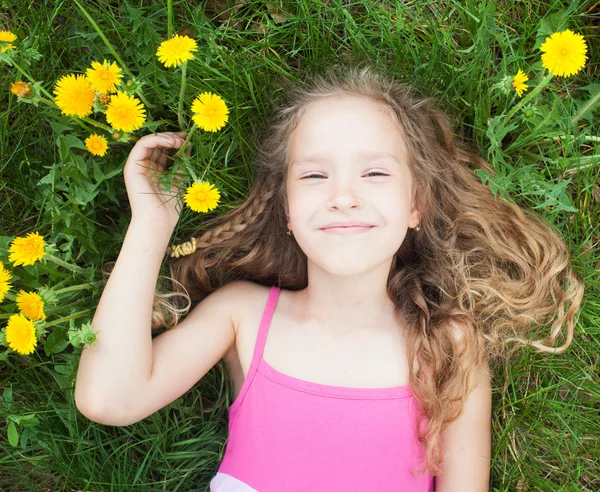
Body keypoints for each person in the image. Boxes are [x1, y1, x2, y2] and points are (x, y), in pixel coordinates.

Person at [74, 63, 584, 492]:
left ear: (416, 205)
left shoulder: (449, 346)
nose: (343, 195)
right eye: (315, 175)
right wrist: (152, 224)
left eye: (375, 173)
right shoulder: (242, 315)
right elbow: (108, 398)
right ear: (288, 211)